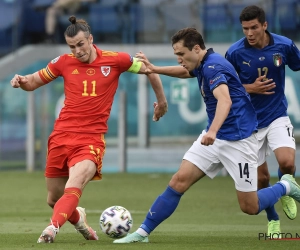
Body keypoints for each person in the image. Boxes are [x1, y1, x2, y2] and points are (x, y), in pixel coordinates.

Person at [112, 27, 300, 244]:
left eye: (181, 54)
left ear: (197, 48)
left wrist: (212, 130)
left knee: (250, 207)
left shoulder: (213, 67)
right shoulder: (202, 63)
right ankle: (143, 232)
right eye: (177, 55)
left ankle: (286, 186)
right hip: (215, 138)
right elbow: (185, 72)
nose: (179, 59)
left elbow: (225, 100)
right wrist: (154, 68)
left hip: (239, 141)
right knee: (178, 181)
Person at [10, 15, 168, 243]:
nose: (77, 50)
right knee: (54, 199)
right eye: (72, 46)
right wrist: (22, 81)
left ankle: (51, 229)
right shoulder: (63, 62)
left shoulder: (116, 60)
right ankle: (80, 220)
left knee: (73, 186)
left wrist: (161, 102)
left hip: (90, 139)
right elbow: (33, 81)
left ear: (90, 39)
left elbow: (149, 69)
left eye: (81, 44)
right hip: (61, 136)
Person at [225, 5, 300, 237]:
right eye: (245, 28)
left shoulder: (284, 45)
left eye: (254, 27)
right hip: (248, 124)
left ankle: (286, 190)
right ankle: (273, 219)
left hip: (277, 115)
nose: (249, 32)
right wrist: (251, 88)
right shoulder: (235, 52)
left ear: (264, 25)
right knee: (262, 179)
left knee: (287, 162)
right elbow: (225, 86)